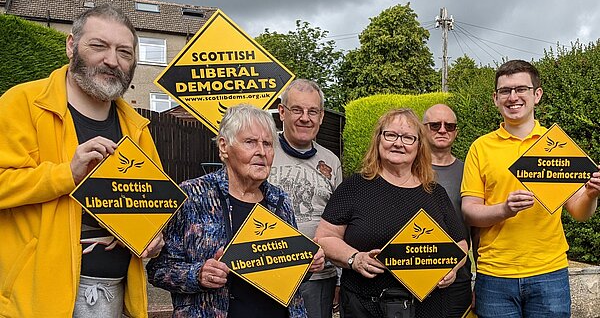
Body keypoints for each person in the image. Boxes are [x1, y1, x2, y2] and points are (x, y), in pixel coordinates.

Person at [0, 3, 164, 317]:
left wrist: (153, 237)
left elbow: (151, 210)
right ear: (71, 46)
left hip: (115, 301)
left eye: (124, 52)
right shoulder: (22, 104)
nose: (112, 60)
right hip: (35, 303)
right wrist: (67, 174)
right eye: (99, 46)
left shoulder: (137, 130)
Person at [146, 104, 325, 318]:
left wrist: (307, 263)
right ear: (224, 146)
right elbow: (159, 269)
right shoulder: (193, 195)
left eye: (267, 144)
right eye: (250, 142)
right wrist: (199, 274)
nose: (261, 151)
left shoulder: (280, 200)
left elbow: (286, 273)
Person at [461, 59, 600, 318]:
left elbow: (580, 213)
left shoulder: (557, 145)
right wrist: (504, 209)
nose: (513, 97)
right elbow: (469, 212)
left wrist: (591, 194)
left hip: (549, 273)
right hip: (495, 274)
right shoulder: (481, 147)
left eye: (521, 89)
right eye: (505, 91)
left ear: (537, 95)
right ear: (495, 98)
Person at [316, 108, 468, 318]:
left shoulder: (434, 192)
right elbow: (325, 237)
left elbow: (460, 243)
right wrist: (355, 258)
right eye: (391, 135)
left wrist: (450, 268)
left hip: (427, 308)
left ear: (419, 146)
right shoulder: (354, 187)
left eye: (408, 138)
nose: (398, 143)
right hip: (365, 307)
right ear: (379, 140)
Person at [269, 79, 343, 318]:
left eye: (313, 111)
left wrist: (339, 278)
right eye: (297, 110)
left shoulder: (331, 161)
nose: (305, 118)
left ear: (321, 116)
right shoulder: (264, 151)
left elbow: (341, 223)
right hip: (268, 271)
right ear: (282, 112)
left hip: (319, 277)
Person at [423, 104, 474, 318]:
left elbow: (479, 232)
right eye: (435, 125)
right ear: (422, 128)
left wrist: (481, 282)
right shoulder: (404, 169)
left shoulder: (470, 172)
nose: (442, 130)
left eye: (449, 126)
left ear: (456, 132)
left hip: (457, 277)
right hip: (411, 273)